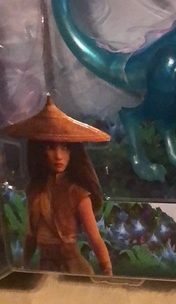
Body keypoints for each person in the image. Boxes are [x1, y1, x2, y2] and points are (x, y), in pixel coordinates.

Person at [2, 95, 112, 275]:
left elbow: (95, 238)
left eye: (65, 148)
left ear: (72, 153)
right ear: (40, 151)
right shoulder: (35, 191)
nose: (58, 156)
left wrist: (107, 270)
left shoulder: (78, 194)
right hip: (45, 268)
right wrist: (24, 266)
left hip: (73, 269)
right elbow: (31, 235)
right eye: (50, 148)